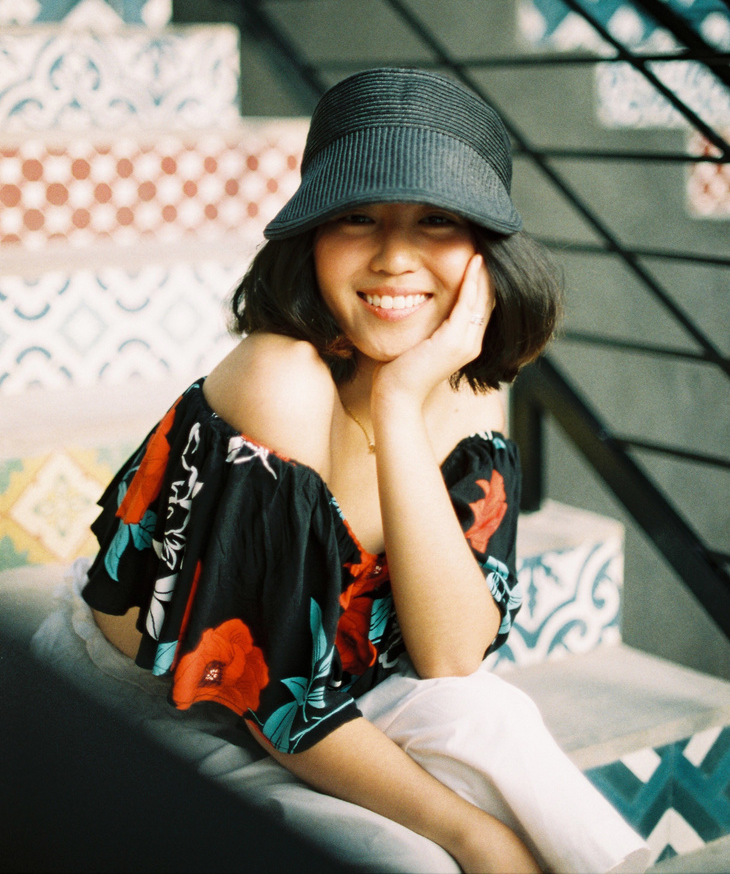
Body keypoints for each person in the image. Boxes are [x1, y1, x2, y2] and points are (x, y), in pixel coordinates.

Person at [32, 68, 650, 874]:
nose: (395, 257)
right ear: (313, 236)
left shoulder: (470, 386)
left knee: (494, 717)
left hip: (340, 696)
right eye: (358, 216)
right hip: (156, 718)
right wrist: (473, 834)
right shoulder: (278, 376)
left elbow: (453, 657)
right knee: (419, 859)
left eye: (436, 222)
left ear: (486, 253)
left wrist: (397, 406)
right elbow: (274, 701)